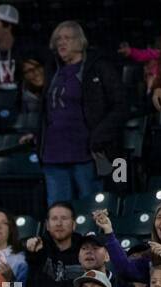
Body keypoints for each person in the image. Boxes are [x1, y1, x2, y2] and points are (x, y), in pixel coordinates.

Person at [31, 20, 126, 205]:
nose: (61, 42)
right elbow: (47, 110)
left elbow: (120, 106)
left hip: (86, 153)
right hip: (53, 154)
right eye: (58, 39)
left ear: (80, 42)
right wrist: (38, 134)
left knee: (91, 208)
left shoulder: (99, 67)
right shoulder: (53, 70)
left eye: (67, 38)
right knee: (58, 210)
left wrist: (99, 136)